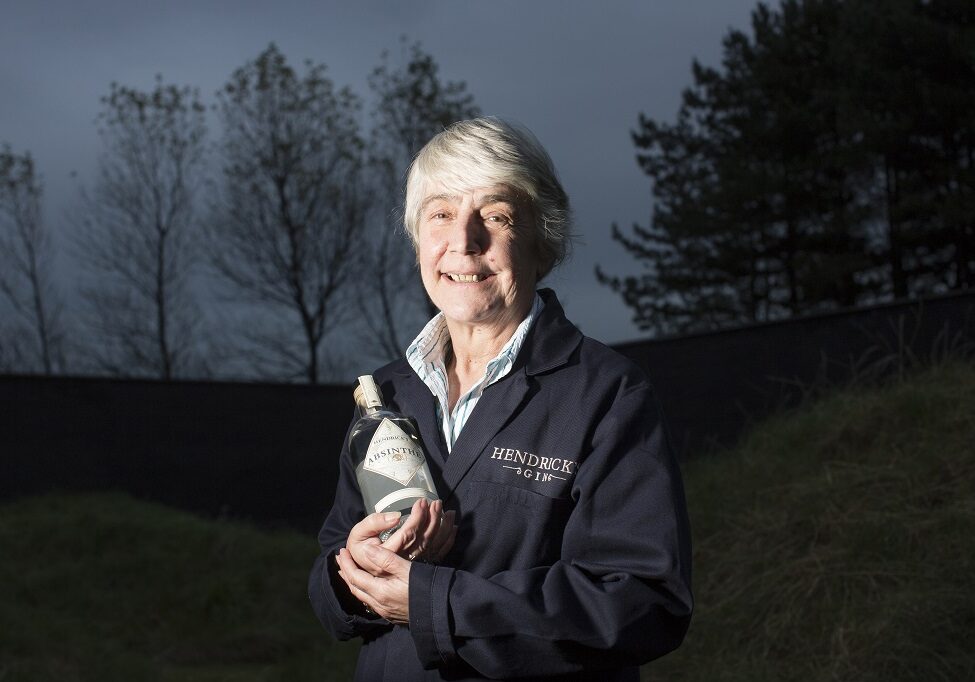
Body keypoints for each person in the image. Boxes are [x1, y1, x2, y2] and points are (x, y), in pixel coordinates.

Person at [308, 117, 692, 681]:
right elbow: (328, 582)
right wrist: (351, 575)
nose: (463, 242)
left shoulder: (606, 392)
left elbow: (644, 602)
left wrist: (433, 602)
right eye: (440, 214)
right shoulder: (386, 394)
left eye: (496, 215)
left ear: (543, 244)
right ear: (418, 239)